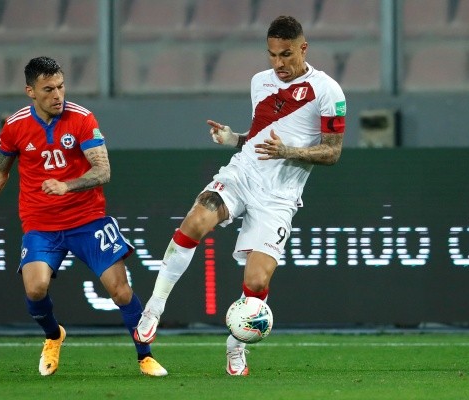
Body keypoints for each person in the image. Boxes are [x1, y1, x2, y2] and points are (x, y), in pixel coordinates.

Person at [134, 16, 346, 376]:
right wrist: (234, 139)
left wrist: (289, 152)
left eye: (286, 54)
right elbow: (262, 135)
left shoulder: (328, 91)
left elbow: (332, 152)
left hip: (279, 195)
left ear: (303, 48)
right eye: (272, 55)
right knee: (196, 220)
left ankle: (236, 347)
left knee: (257, 281)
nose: (278, 64)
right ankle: (154, 307)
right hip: (243, 174)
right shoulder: (259, 82)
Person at [0, 56, 167, 377]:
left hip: (88, 220)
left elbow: (103, 170)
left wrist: (67, 185)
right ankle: (53, 335)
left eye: (61, 86)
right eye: (48, 89)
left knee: (119, 290)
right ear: (30, 92)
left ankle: (144, 356)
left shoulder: (82, 119)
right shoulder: (15, 127)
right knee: (34, 290)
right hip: (41, 225)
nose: (58, 95)